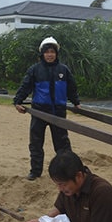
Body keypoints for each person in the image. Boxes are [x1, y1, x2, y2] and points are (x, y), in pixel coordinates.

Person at [13, 37, 81, 181]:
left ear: (56, 54)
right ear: (42, 54)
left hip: (58, 112)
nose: (50, 55)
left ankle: (67, 171)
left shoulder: (63, 70)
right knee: (36, 144)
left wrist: (76, 102)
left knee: (62, 144)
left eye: (52, 52)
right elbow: (25, 86)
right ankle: (35, 171)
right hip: (39, 112)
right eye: (47, 52)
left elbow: (71, 88)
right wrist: (17, 101)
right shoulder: (35, 70)